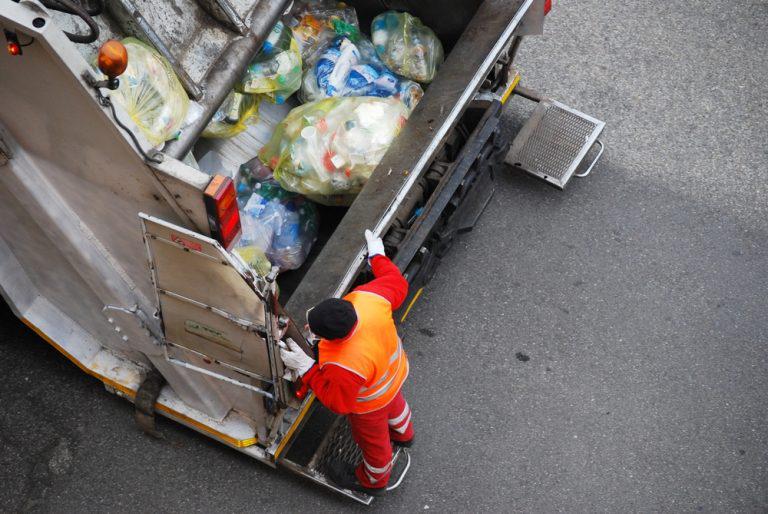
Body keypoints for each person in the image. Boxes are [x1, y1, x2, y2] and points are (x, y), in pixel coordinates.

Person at [279, 229, 413, 495]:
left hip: (370, 403)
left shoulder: (345, 362)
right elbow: (396, 281)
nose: (308, 327)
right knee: (396, 405)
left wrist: (306, 368)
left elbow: (339, 402)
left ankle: (373, 480)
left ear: (334, 339)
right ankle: (404, 433)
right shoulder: (367, 299)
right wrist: (377, 256)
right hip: (393, 374)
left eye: (314, 330)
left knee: (374, 444)